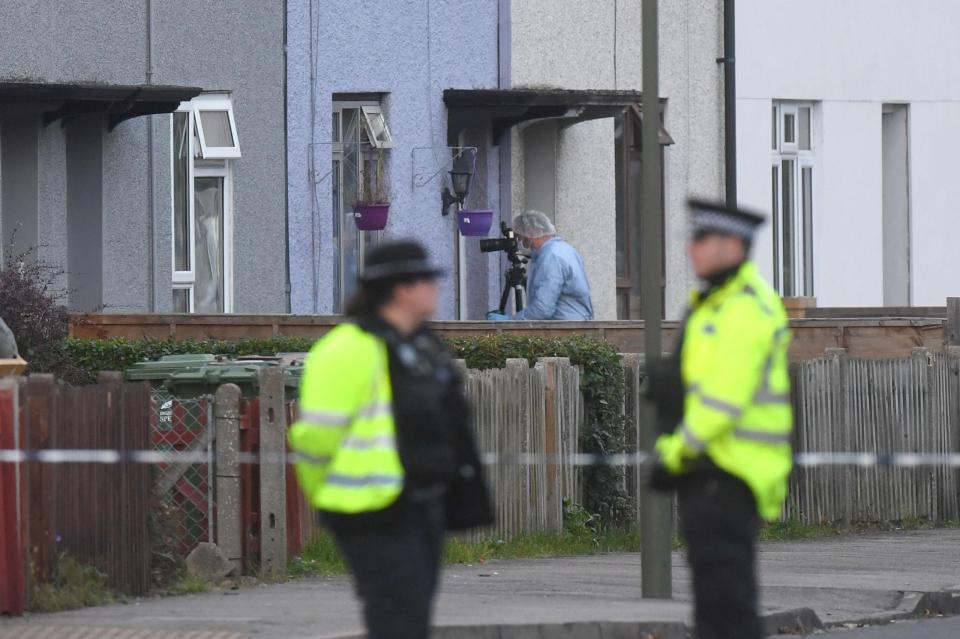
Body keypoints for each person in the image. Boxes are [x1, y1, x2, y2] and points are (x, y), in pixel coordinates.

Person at [288, 240, 493, 639]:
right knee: (395, 617)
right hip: (372, 509)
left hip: (423, 502)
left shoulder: (420, 344)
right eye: (426, 280)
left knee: (413, 615)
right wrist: (326, 495)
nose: (435, 289)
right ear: (401, 288)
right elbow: (315, 439)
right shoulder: (347, 350)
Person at [642, 199, 793, 639]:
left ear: (734, 245)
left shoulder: (741, 309)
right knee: (717, 605)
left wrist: (674, 451)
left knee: (727, 608)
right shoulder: (717, 304)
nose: (692, 249)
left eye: (702, 239)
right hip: (715, 471)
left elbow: (721, 402)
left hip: (727, 472)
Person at [487, 210, 594, 320]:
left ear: (531, 232)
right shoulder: (564, 249)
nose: (520, 242)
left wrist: (510, 322)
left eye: (521, 237)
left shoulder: (551, 257)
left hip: (565, 330)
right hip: (574, 326)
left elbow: (542, 309)